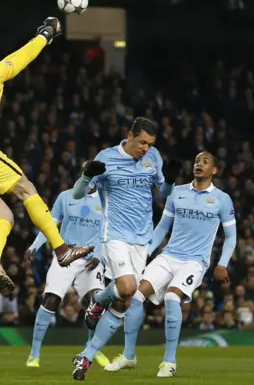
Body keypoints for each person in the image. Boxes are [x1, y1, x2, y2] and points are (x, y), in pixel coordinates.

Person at [0, 17, 93, 291]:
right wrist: (46, 34)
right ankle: (62, 250)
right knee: (27, 189)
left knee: (4, 216)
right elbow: (22, 58)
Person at [104, 151, 236, 378]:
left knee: (172, 297)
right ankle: (128, 355)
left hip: (195, 261)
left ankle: (169, 362)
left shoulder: (222, 199)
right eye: (196, 161)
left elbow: (231, 236)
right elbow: (162, 228)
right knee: (134, 295)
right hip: (168, 256)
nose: (199, 164)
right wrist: (145, 253)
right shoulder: (178, 192)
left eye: (205, 162)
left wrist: (222, 263)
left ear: (214, 170)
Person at [70, 117, 181, 381]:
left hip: (141, 238)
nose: (145, 148)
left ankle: (85, 357)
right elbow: (77, 194)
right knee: (129, 287)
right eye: (142, 142)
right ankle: (97, 301)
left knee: (125, 301)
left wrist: (171, 181)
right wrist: (87, 175)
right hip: (114, 235)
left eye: (150, 143)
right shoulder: (106, 158)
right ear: (129, 135)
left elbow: (162, 192)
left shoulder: (153, 157)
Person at [24, 165, 110, 368]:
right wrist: (34, 246)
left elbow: (106, 232)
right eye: (84, 174)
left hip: (90, 260)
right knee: (51, 300)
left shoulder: (106, 201)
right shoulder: (66, 196)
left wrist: (99, 255)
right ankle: (34, 354)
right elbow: (49, 224)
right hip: (66, 256)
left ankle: (91, 349)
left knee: (95, 303)